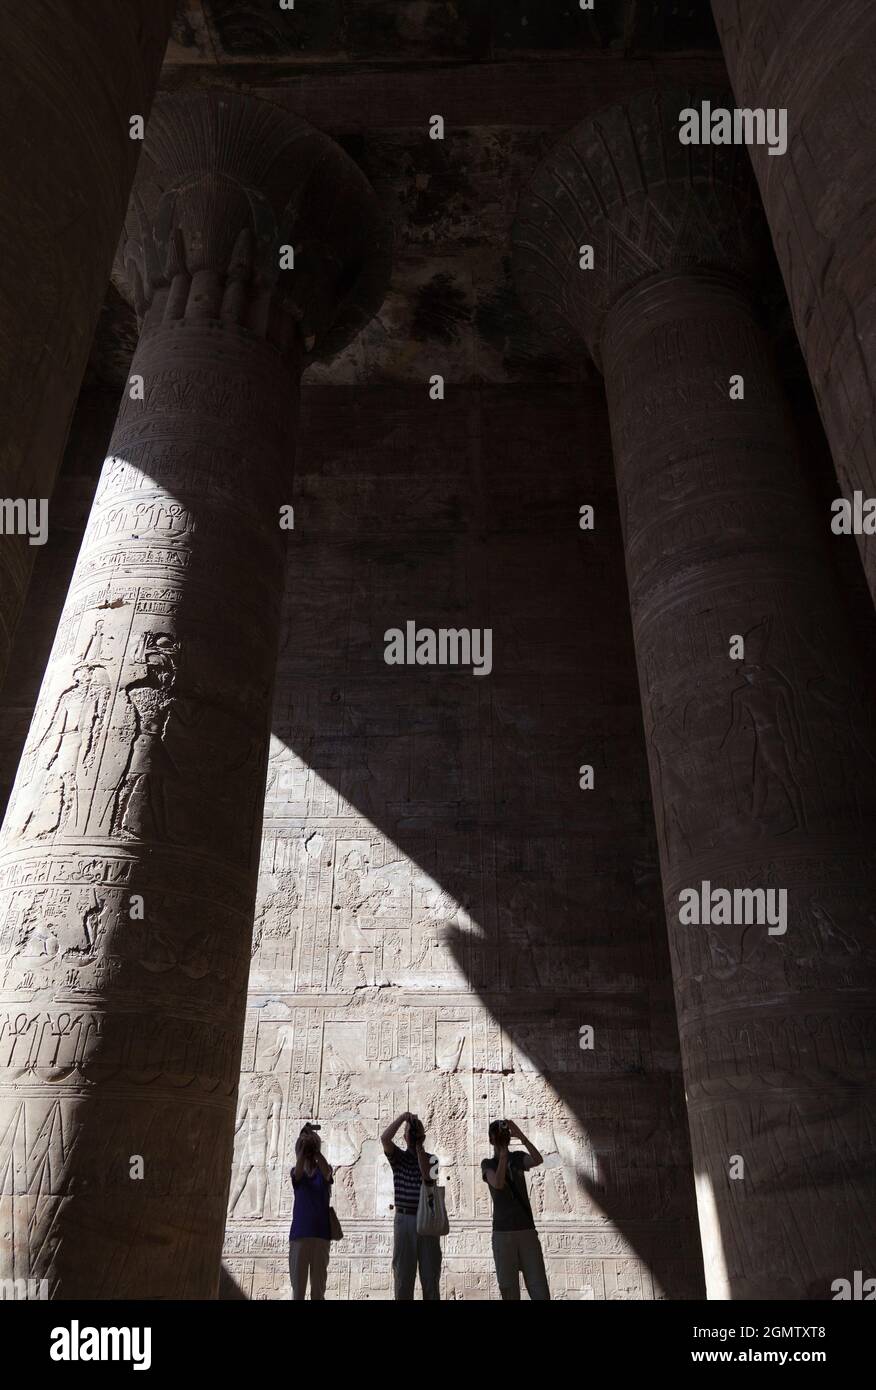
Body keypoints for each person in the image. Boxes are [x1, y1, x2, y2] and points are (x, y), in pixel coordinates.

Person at [482, 1119, 550, 1300]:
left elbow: (538, 1159)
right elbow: (497, 1183)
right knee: (509, 1290)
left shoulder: (518, 1157)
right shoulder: (488, 1163)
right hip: (503, 1233)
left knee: (539, 1289)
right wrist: (503, 1155)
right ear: (491, 1139)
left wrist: (521, 1136)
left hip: (526, 1229)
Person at [380, 1110, 441, 1300]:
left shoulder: (432, 1159)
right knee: (403, 1277)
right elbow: (385, 1138)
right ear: (405, 1136)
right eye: (410, 1132)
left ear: (422, 1136)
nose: (413, 1134)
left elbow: (427, 1178)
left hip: (427, 1220)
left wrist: (419, 1148)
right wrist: (402, 1119)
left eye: (417, 1131)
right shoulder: (398, 1157)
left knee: (430, 1278)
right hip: (405, 1219)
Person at [288, 1122, 333, 1300]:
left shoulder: (324, 1172)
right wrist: (303, 1149)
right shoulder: (296, 1172)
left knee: (318, 1291)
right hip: (300, 1234)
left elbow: (327, 1172)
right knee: (298, 1290)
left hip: (320, 1236)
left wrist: (315, 1150)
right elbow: (298, 1173)